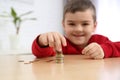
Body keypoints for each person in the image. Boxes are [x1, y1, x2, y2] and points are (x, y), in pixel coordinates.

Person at [32, 0, 120, 59]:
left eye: (85, 24)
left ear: (94, 26)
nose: (78, 29)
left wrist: (104, 50)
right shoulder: (59, 43)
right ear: (63, 24)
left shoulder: (100, 41)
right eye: (71, 24)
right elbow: (40, 54)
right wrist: (42, 42)